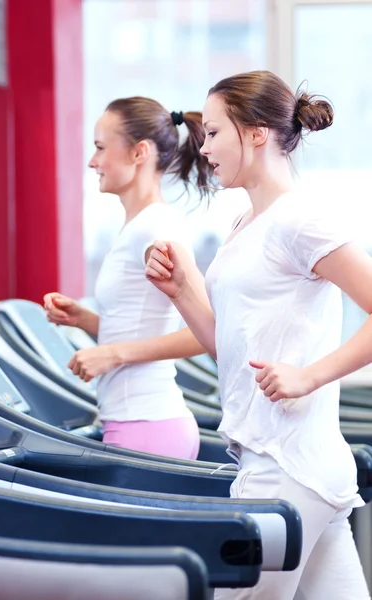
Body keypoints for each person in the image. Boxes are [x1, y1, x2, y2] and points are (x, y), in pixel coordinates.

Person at [145, 71, 371, 599]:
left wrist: (307, 376)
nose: (205, 148)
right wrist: (182, 289)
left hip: (282, 470)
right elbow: (231, 348)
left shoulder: (299, 219)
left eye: (215, 133)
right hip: (302, 468)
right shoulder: (249, 221)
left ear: (257, 133)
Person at [44, 97, 213, 459]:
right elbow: (145, 323)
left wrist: (113, 354)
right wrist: (87, 321)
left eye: (101, 148)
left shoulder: (155, 229)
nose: (93, 161)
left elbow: (210, 331)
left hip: (147, 428)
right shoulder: (138, 226)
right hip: (137, 424)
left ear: (139, 153)